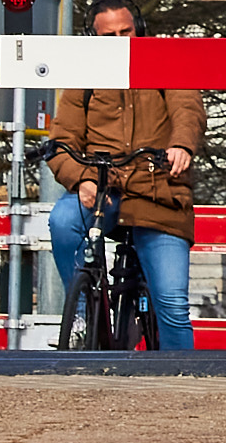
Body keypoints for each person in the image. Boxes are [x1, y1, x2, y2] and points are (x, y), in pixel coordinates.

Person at [44, 75, 208, 353]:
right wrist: (82, 179)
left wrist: (182, 145)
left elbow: (187, 109)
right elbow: (63, 140)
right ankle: (81, 317)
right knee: (62, 221)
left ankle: (179, 376)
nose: (120, 44)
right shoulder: (86, 75)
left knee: (172, 305)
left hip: (158, 194)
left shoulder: (166, 65)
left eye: (125, 32)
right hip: (101, 188)